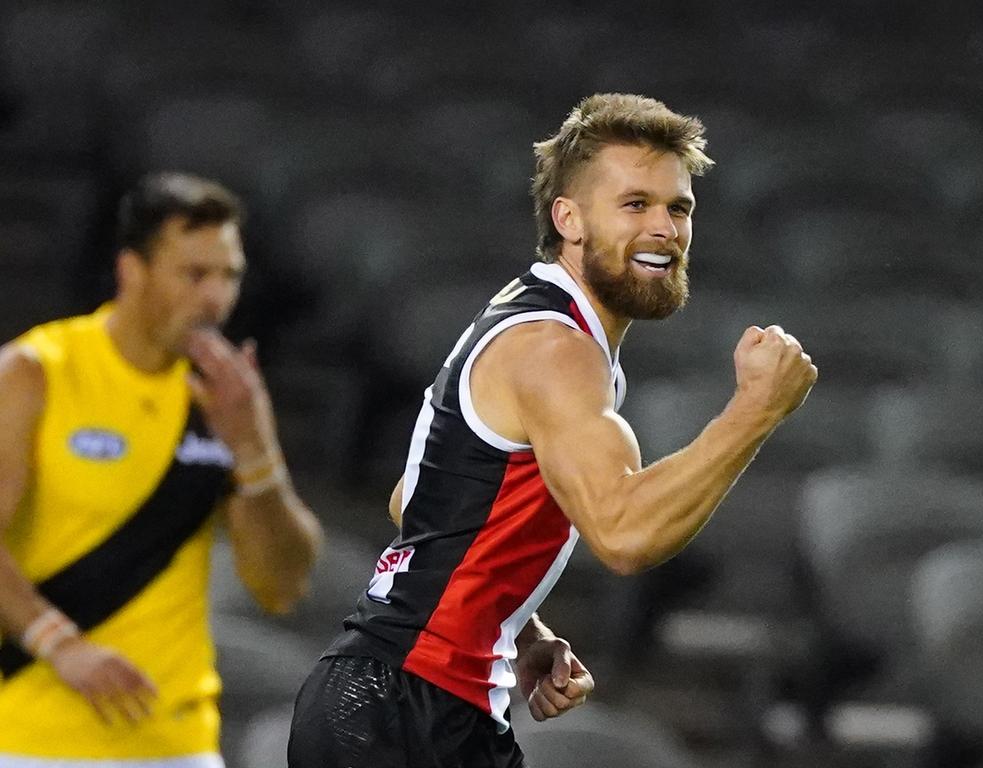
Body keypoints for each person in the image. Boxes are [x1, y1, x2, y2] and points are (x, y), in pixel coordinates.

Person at [288, 93, 817, 767]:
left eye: (678, 207)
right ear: (567, 217)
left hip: (409, 699)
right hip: (402, 707)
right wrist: (755, 411)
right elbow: (625, 536)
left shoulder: (529, 318)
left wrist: (515, 624)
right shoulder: (554, 349)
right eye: (634, 205)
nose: (665, 228)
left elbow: (412, 497)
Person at [0, 172, 324, 767]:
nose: (215, 299)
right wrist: (59, 643)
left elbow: (280, 587)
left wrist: (255, 452)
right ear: (132, 271)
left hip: (177, 743)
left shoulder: (225, 397)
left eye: (228, 276)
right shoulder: (35, 372)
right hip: (27, 738)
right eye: (194, 274)